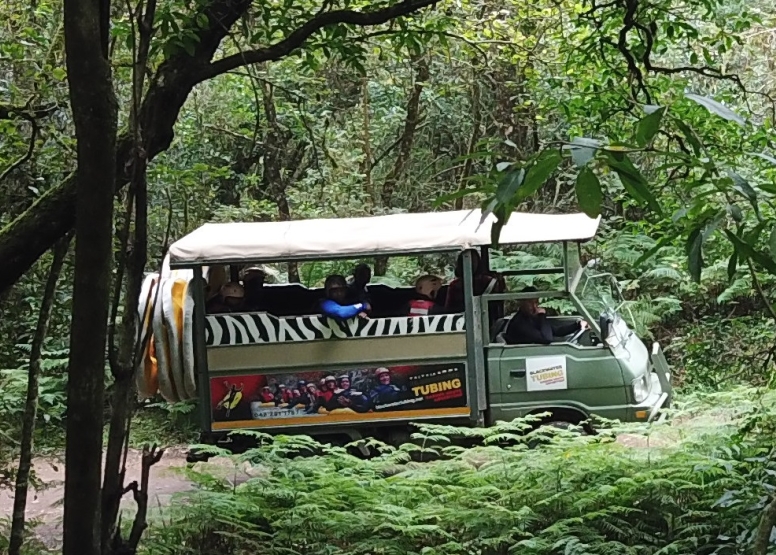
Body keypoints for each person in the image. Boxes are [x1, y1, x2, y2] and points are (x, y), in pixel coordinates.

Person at [503, 287, 588, 345]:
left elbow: (556, 331)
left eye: (536, 302)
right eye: (530, 302)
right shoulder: (519, 324)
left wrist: (578, 325)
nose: (534, 306)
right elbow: (547, 339)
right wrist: (542, 315)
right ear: (521, 303)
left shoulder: (530, 318)